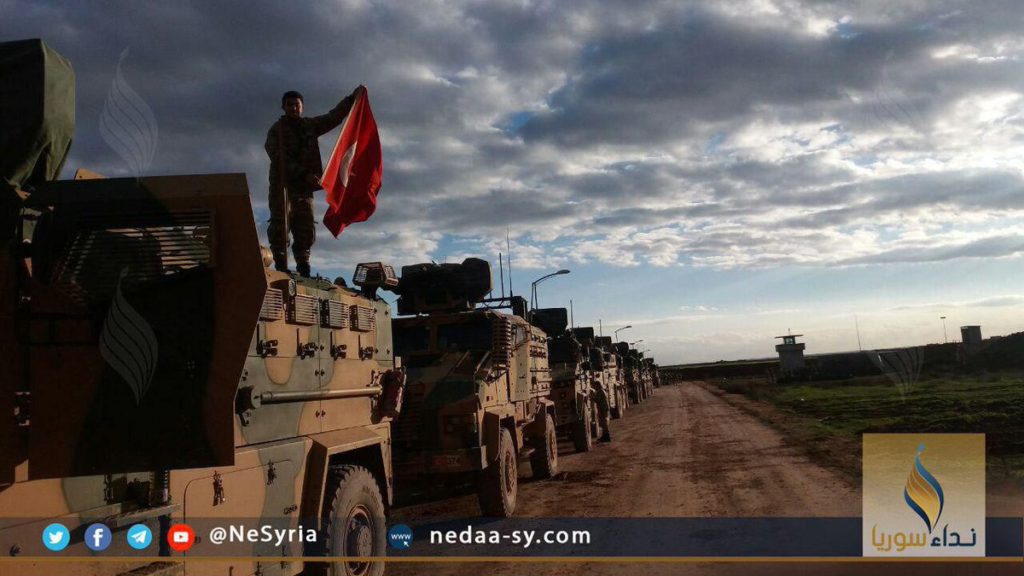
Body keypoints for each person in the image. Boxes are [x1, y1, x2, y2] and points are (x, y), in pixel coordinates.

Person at [265, 85, 365, 276]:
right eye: (289, 105)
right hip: (283, 186)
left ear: (302, 106)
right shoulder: (276, 131)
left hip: (304, 189)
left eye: (296, 104)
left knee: (305, 226)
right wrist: (304, 174)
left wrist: (353, 97)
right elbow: (279, 158)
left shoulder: (309, 126)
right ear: (283, 107)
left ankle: (304, 267)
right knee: (281, 225)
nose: (293, 108)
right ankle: (281, 266)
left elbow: (333, 117)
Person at [592, 376, 612, 443]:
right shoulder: (602, 391)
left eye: (595, 386)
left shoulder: (600, 392)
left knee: (604, 424)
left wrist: (590, 397)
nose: (594, 387)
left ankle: (607, 437)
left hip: (603, 409)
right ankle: (605, 436)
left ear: (597, 385)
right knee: (604, 424)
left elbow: (596, 400)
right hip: (604, 409)